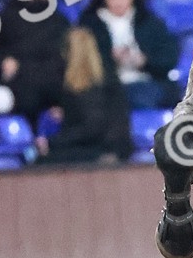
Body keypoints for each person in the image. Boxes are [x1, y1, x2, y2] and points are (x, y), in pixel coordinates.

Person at [80, 0, 181, 111]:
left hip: (147, 82)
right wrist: (110, 59)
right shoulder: (89, 25)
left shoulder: (149, 21)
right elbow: (80, 63)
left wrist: (144, 61)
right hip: (107, 86)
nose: (119, 0)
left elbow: (169, 57)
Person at [35, 27, 133, 165]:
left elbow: (92, 128)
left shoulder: (86, 88)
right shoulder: (107, 81)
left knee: (42, 162)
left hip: (101, 150)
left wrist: (52, 142)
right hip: (113, 148)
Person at [0, 0, 70, 126]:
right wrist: (3, 60)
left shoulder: (59, 21)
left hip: (52, 80)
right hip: (20, 82)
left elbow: (65, 55)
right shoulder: (5, 19)